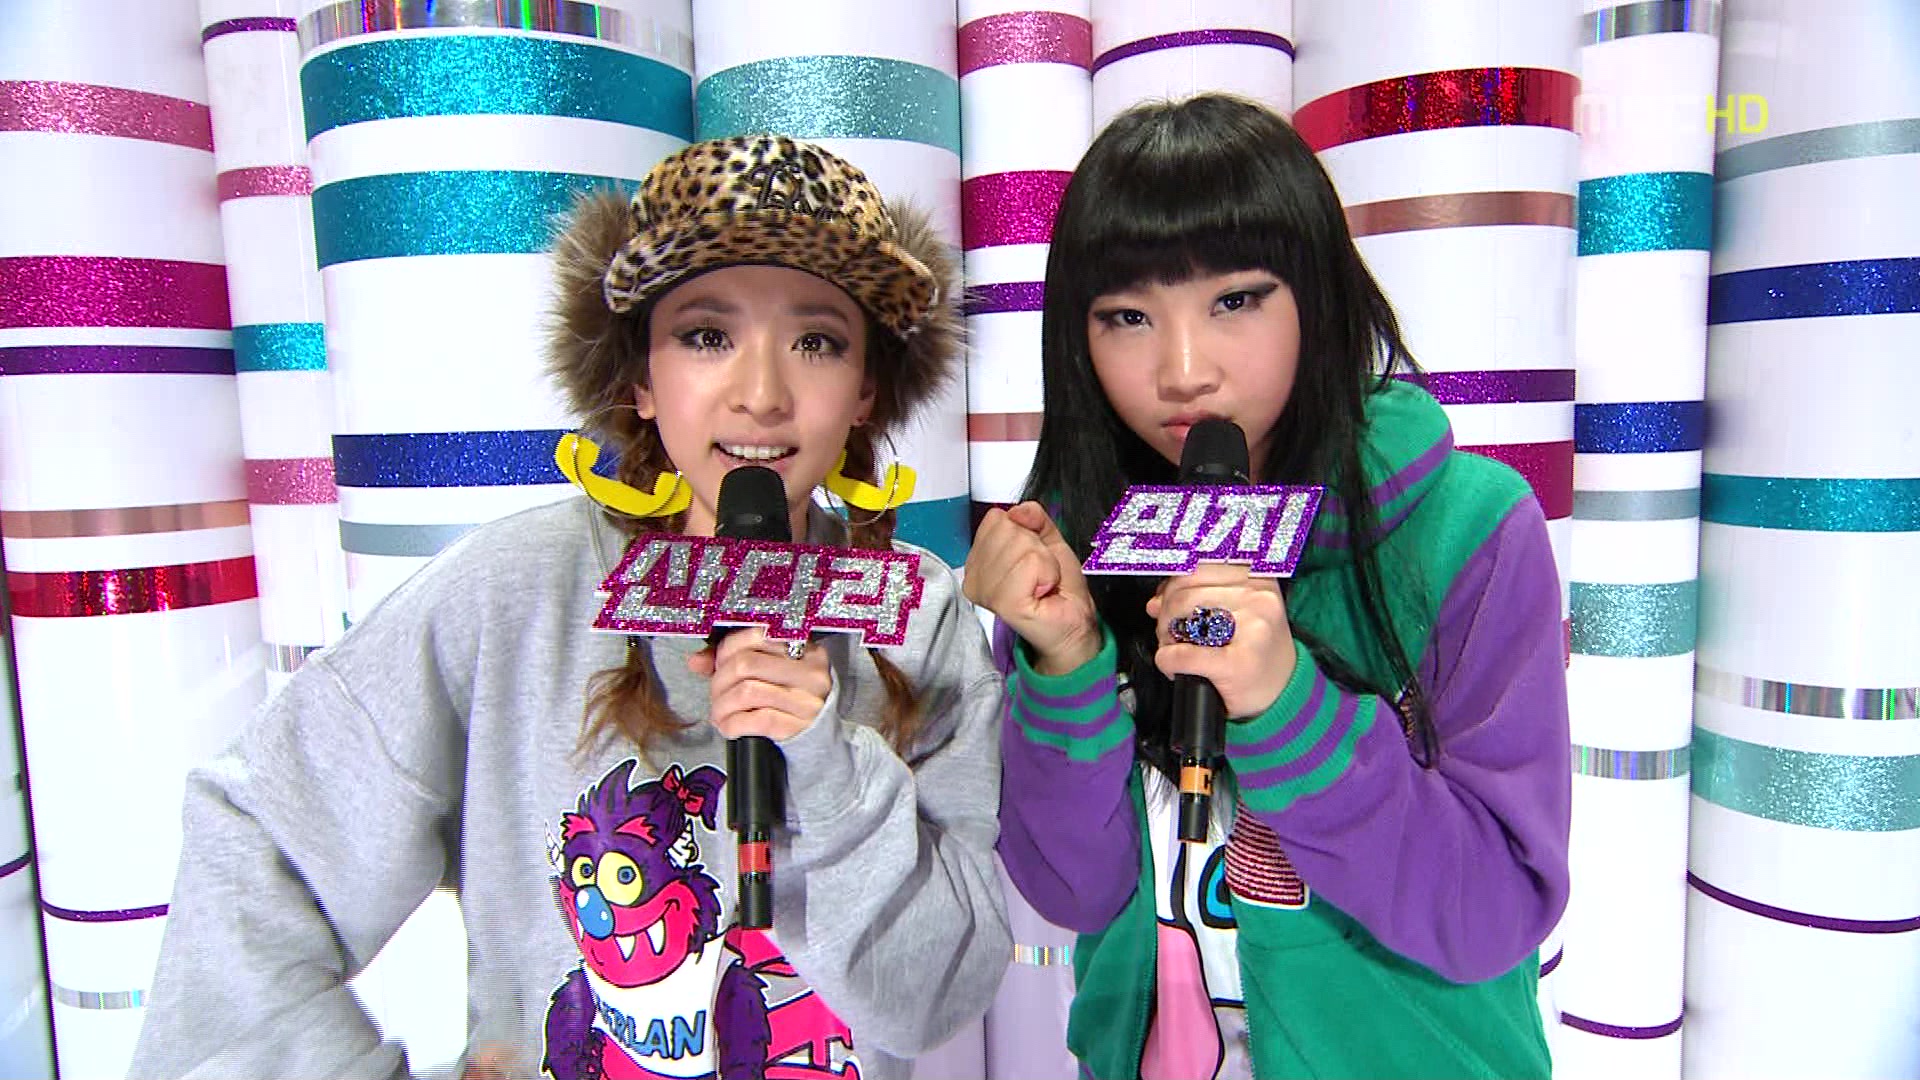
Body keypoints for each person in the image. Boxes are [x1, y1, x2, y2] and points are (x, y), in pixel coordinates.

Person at [131, 134, 1011, 1080]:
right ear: (639, 379)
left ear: (867, 387)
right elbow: (256, 845)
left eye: (817, 342)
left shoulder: (918, 613)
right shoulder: (515, 590)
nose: (762, 395)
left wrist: (829, 767)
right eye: (706, 336)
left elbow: (939, 996)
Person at [965, 93, 1572, 1079]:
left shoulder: (1469, 529)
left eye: (1235, 301)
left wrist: (1288, 706)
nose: (1182, 370)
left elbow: (1493, 913)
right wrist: (1068, 662)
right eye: (1128, 317)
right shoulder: (1073, 556)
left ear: (1317, 298)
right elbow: (1073, 894)